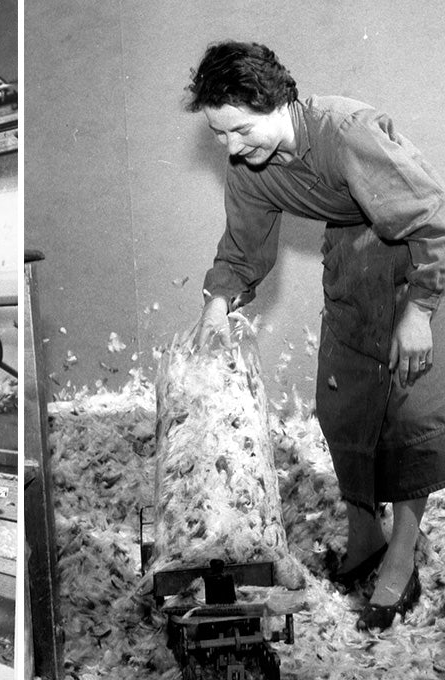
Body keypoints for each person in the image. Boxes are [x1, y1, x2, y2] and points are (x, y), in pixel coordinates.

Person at [187, 41, 445, 631]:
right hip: (353, 266)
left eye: (241, 130)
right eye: (219, 134)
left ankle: (400, 563)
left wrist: (419, 312)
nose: (230, 147)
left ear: (274, 101)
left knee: (414, 418)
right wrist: (218, 304)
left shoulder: (347, 131)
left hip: (420, 266)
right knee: (343, 407)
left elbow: (433, 221)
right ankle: (365, 540)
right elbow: (244, 247)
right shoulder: (248, 167)